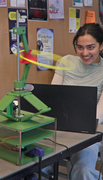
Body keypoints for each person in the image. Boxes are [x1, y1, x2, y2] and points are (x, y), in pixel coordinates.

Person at [52, 23, 103, 180]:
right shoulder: (66, 61)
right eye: (80, 47)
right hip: (60, 127)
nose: (85, 52)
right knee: (35, 162)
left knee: (82, 170)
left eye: (90, 47)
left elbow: (98, 115)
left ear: (101, 46)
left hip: (90, 130)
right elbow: (53, 97)